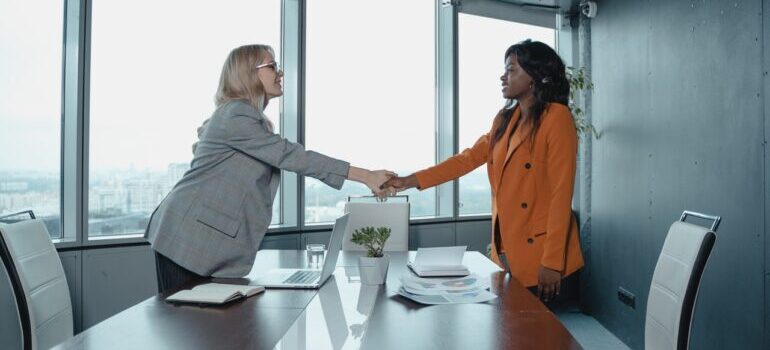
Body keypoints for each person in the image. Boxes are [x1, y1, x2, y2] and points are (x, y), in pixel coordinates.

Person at [146, 44, 394, 293]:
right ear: (249, 73)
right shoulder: (237, 115)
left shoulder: (243, 118)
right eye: (272, 66)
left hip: (202, 242)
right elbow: (292, 155)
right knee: (185, 322)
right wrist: (366, 175)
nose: (280, 73)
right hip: (186, 240)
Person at [382, 40, 584, 303]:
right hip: (506, 250)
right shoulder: (504, 119)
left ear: (535, 76)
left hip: (544, 254)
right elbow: (466, 159)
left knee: (538, 337)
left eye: (511, 69)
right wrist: (409, 181)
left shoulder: (557, 118)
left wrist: (553, 262)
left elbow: (561, 195)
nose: (503, 76)